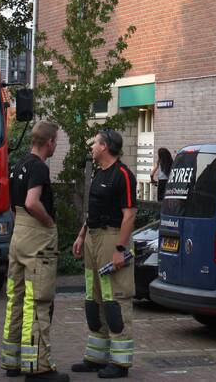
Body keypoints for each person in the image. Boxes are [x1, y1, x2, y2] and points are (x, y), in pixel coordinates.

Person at [1, 121, 67, 381]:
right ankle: (37, 367)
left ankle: (12, 361)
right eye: (56, 142)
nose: (55, 146)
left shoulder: (18, 164)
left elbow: (15, 205)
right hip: (37, 238)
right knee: (38, 300)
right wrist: (49, 223)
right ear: (49, 142)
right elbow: (32, 202)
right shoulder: (39, 167)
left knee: (15, 299)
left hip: (18, 235)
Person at [71, 129, 136, 378]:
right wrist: (81, 235)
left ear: (105, 147)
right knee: (93, 297)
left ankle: (120, 364)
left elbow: (129, 215)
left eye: (96, 142)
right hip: (92, 237)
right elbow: (93, 210)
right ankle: (96, 357)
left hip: (111, 237)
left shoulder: (123, 176)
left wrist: (120, 249)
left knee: (115, 300)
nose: (92, 146)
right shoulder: (99, 173)